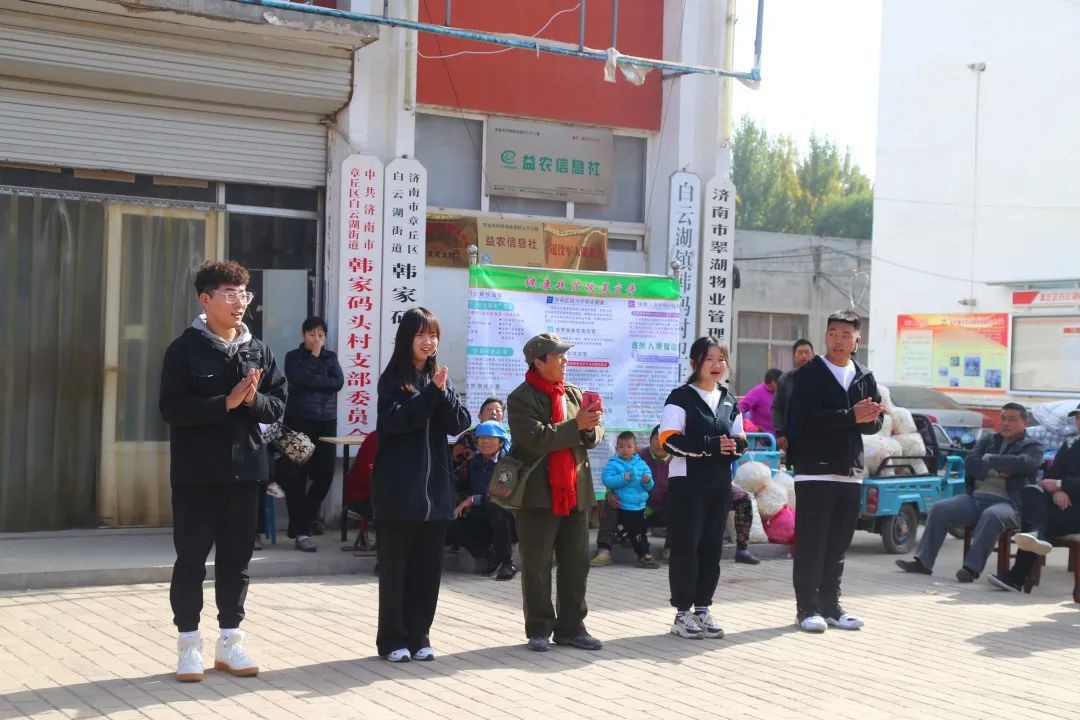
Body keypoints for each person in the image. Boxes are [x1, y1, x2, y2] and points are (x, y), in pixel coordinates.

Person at [159, 260, 286, 682]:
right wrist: (225, 404)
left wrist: (251, 401)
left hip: (246, 473)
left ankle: (230, 641)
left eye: (243, 294)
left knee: (237, 561)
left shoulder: (259, 351)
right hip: (196, 476)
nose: (239, 302)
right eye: (229, 294)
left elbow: (278, 406)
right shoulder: (183, 350)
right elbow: (171, 408)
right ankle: (188, 644)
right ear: (205, 299)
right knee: (191, 561)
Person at [372, 307, 471, 663]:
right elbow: (397, 422)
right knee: (396, 573)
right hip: (399, 495)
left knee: (427, 573)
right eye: (421, 335)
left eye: (433, 336)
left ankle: (420, 637)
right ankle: (392, 640)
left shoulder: (439, 379)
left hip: (435, 496)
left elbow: (459, 422)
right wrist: (430, 395)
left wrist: (442, 394)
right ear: (406, 339)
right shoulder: (392, 380)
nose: (428, 342)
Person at [787, 310, 883, 633]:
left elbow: (875, 423)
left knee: (838, 545)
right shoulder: (809, 374)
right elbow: (801, 422)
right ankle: (806, 609)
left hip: (850, 471)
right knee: (812, 544)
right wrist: (850, 416)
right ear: (825, 336)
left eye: (845, 335)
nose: (838, 340)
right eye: (832, 334)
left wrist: (868, 418)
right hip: (814, 471)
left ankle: (831, 607)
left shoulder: (865, 376)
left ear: (857, 341)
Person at [507, 333, 604, 652]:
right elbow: (535, 439)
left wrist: (591, 425)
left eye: (565, 355)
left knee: (577, 563)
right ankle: (538, 628)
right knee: (536, 564)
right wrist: (577, 426)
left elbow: (593, 435)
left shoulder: (573, 392)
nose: (565, 361)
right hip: (538, 494)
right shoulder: (520, 398)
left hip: (575, 489)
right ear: (538, 362)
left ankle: (572, 628)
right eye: (558, 356)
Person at [659, 337, 747, 640]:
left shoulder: (728, 399)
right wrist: (710, 445)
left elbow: (740, 437)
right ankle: (682, 614)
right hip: (687, 485)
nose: (717, 365)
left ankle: (703, 608)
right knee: (687, 547)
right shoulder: (680, 397)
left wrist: (735, 447)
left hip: (718, 485)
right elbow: (668, 440)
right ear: (695, 363)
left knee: (711, 548)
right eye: (710, 359)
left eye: (721, 359)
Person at [896, 403, 1044, 582]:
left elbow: (1026, 463)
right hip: (975, 499)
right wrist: (998, 468)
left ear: (1024, 423)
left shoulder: (1032, 445)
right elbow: (971, 461)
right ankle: (923, 563)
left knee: (992, 516)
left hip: (1009, 504)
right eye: (1003, 418)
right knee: (940, 509)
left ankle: (970, 569)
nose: (1006, 423)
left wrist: (990, 459)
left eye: (1012, 419)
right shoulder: (990, 439)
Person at [989, 404, 1080, 592]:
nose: (1079, 422)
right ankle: (1035, 535)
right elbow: (1050, 475)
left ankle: (1017, 577)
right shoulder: (1071, 444)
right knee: (1031, 491)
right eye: (1078, 418)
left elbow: (1056, 481)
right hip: (1060, 506)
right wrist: (1056, 491)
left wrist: (1061, 485)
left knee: (1034, 523)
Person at [279, 316, 344, 552]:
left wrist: (313, 380)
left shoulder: (331, 357)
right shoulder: (292, 357)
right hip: (297, 421)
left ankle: (300, 523)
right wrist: (315, 358)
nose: (317, 339)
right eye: (312, 334)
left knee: (325, 475)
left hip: (326, 421)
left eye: (321, 335)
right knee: (294, 477)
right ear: (303, 335)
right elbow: (298, 379)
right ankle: (302, 533)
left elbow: (338, 382)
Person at [450, 420, 518, 580]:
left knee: (495, 505)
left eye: (491, 438)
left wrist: (473, 499)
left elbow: (502, 494)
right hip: (481, 518)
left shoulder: (508, 463)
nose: (486, 442)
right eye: (482, 438)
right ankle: (487, 555)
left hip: (508, 520)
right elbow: (454, 482)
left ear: (501, 442)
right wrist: (457, 500)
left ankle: (507, 562)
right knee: (447, 514)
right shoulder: (473, 462)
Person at [602, 432, 661, 569]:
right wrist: (622, 478)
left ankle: (644, 552)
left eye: (629, 446)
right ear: (616, 448)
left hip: (641, 506)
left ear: (635, 449)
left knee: (642, 531)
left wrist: (647, 481)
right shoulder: (613, 463)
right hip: (625, 506)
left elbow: (650, 485)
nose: (625, 449)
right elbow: (607, 480)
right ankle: (644, 555)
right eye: (621, 446)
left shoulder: (641, 464)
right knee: (636, 532)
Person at [772, 339, 815, 453]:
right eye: (800, 352)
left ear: (813, 355)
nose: (804, 356)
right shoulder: (785, 380)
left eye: (807, 352)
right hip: (792, 438)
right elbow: (777, 408)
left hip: (818, 438)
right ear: (794, 356)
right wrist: (780, 433)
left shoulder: (823, 379)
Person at [740, 368, 782, 435]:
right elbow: (741, 407)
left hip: (781, 436)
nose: (782, 385)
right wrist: (746, 426)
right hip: (765, 438)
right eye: (780, 382)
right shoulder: (757, 392)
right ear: (773, 381)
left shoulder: (781, 392)